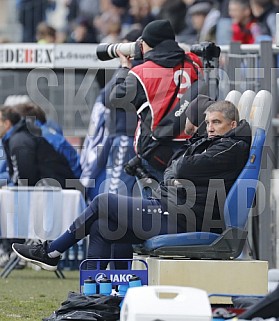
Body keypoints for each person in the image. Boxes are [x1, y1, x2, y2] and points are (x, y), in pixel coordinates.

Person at [12, 100, 251, 271]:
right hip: (170, 207)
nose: (209, 127)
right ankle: (97, 296)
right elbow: (172, 168)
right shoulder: (210, 143)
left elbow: (181, 168)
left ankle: (52, 251)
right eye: (208, 122)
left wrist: (179, 172)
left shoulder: (231, 146)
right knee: (104, 226)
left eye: (216, 122)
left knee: (103, 202)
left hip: (183, 218)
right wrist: (178, 172)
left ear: (232, 124)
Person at [109, 19, 203, 186]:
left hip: (155, 151)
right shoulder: (194, 64)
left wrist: (124, 68)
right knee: (182, 205)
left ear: (147, 44)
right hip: (190, 150)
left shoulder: (140, 73)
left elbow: (115, 99)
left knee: (155, 208)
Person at [0, 105, 77, 188]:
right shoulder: (17, 137)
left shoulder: (19, 140)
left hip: (56, 192)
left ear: (7, 123)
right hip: (54, 190)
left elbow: (25, 180)